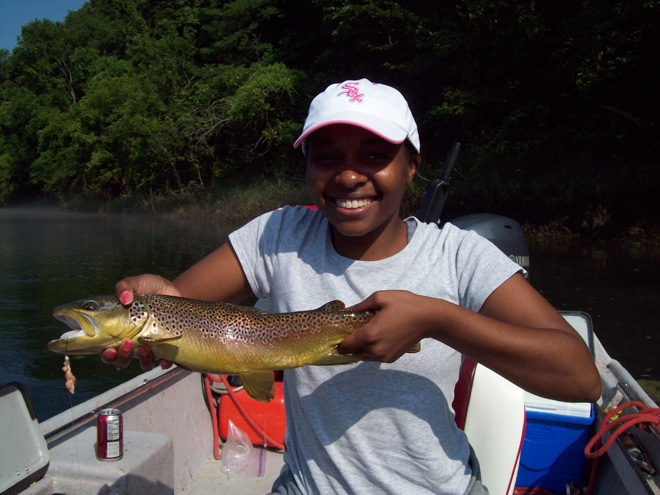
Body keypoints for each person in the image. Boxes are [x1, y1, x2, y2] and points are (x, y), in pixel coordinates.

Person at [103, 79, 601, 495]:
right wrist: (150, 299)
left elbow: (581, 377)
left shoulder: (458, 255)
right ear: (307, 168)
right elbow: (177, 304)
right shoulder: (278, 236)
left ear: (411, 166)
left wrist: (438, 319)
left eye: (374, 154)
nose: (347, 175)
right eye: (326, 156)